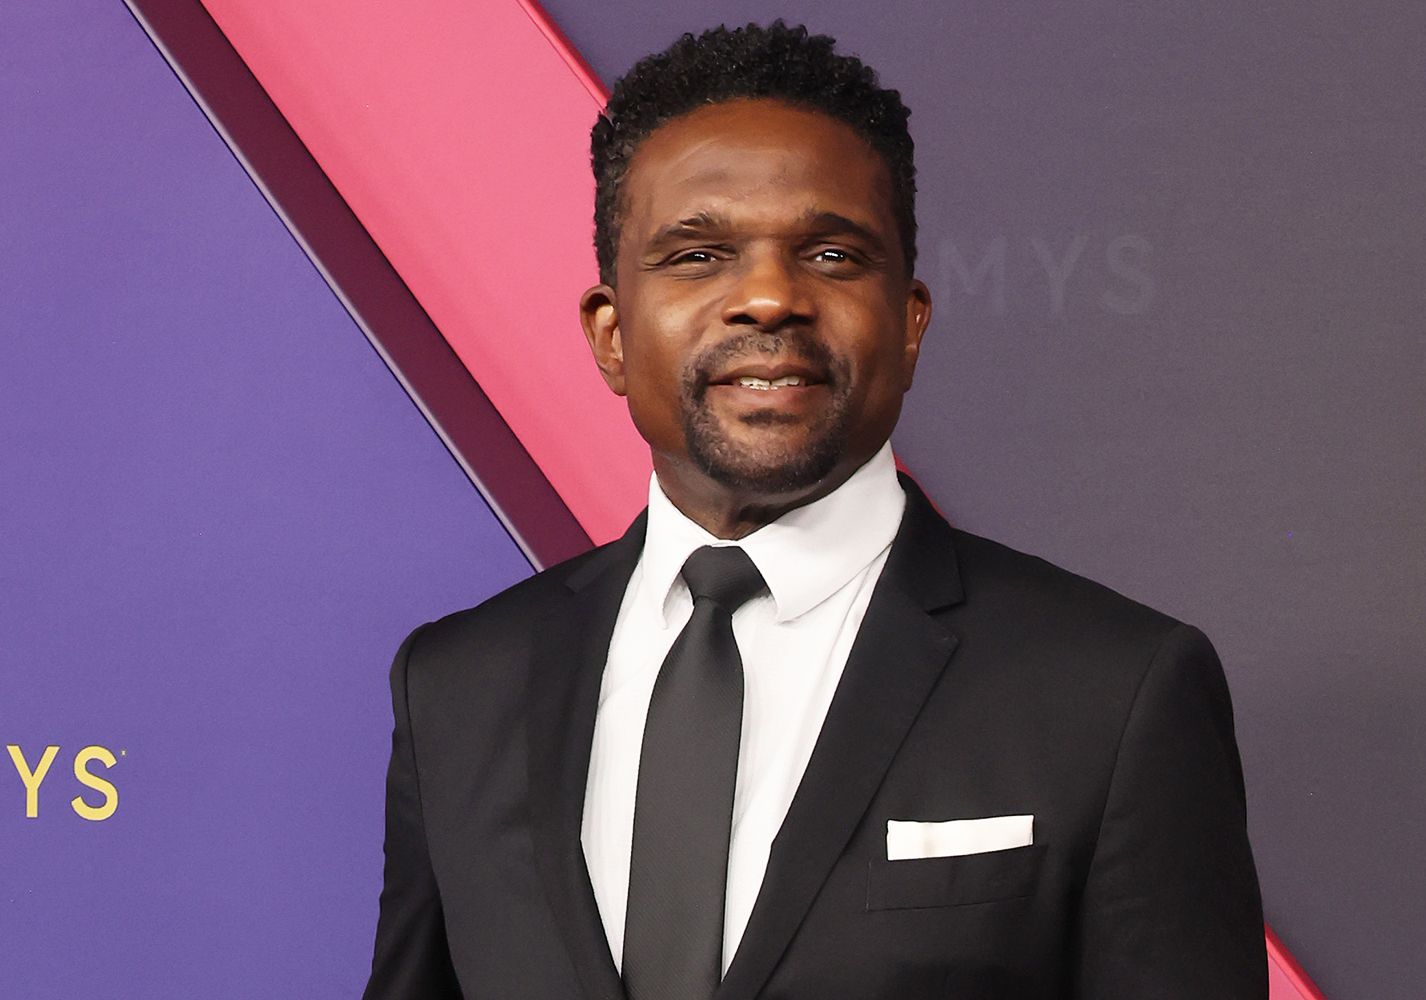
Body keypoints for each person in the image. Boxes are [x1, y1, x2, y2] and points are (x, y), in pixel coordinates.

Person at [364, 21, 1265, 1000]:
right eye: (699, 254)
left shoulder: (1114, 690)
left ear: (910, 321)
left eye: (831, 254)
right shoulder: (458, 687)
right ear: (612, 335)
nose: (766, 297)